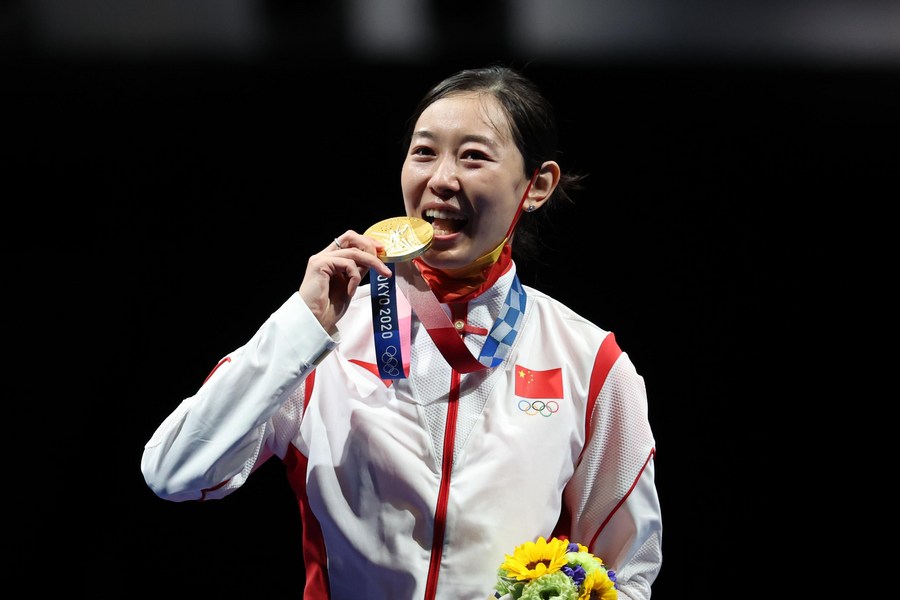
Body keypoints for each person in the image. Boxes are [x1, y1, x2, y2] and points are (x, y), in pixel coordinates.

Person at [141, 64, 662, 600]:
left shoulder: (588, 361)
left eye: (474, 156)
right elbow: (175, 471)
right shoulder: (323, 337)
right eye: (424, 152)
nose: (441, 178)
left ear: (537, 185)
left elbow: (628, 573)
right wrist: (302, 326)